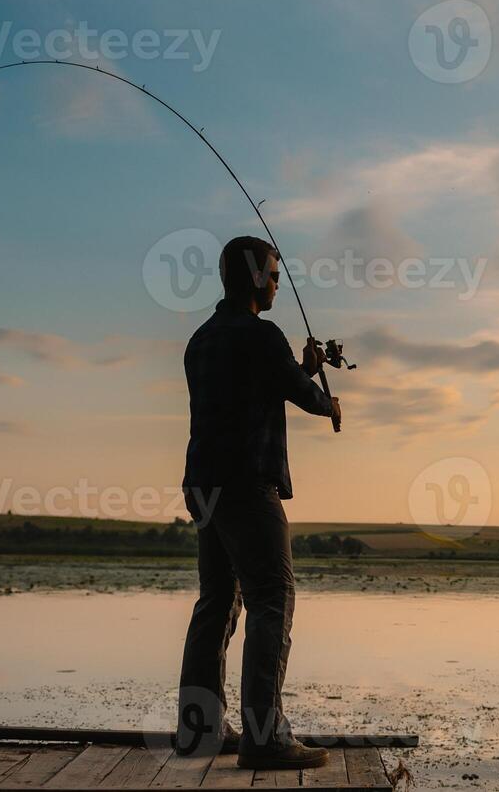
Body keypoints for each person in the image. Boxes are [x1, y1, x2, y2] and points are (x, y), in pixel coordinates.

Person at [176, 235, 341, 770]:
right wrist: (327, 394)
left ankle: (199, 731)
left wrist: (298, 363)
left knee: (217, 601)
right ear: (252, 278)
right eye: (272, 275)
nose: (276, 283)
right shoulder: (263, 337)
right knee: (273, 597)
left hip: (203, 484)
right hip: (248, 485)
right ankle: (264, 738)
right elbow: (304, 394)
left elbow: (253, 386)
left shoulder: (199, 341)